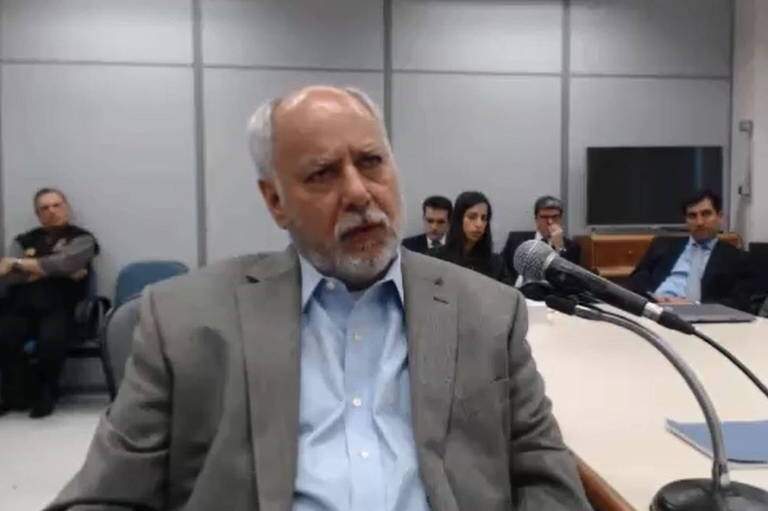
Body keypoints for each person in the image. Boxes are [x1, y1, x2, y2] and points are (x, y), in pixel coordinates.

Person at [50, 86, 589, 511]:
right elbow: (102, 496)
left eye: (371, 162)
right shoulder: (181, 321)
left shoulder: (488, 311)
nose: (357, 192)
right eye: (322, 174)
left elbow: (546, 476)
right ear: (275, 201)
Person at [0, 188, 98, 418]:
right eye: (44, 208)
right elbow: (9, 275)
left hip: (60, 306)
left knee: (50, 340)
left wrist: (22, 264)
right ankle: (15, 393)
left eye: (56, 205)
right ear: (38, 214)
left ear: (67, 208)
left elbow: (66, 263)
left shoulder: (82, 239)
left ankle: (46, 393)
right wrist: (56, 270)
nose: (51, 211)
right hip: (21, 305)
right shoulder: (23, 240)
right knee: (4, 335)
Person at [628, 189, 754, 311]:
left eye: (706, 214)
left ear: (719, 217)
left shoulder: (736, 258)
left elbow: (740, 302)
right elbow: (636, 279)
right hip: (655, 310)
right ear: (686, 220)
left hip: (702, 316)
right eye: (692, 216)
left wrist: (694, 306)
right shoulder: (663, 245)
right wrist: (653, 298)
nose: (699, 222)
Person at [432, 191, 512, 286]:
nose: (479, 224)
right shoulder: (435, 258)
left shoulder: (496, 263)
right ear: (459, 219)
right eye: (472, 217)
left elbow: (508, 294)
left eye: (484, 218)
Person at [501, 195, 581, 286]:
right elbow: (501, 271)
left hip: (551, 292)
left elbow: (571, 282)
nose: (550, 222)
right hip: (518, 290)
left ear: (560, 219)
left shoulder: (572, 247)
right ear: (536, 220)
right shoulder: (515, 240)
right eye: (544, 217)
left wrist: (560, 248)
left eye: (555, 217)